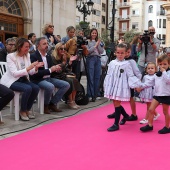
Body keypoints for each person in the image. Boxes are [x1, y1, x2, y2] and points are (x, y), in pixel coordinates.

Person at [0, 38, 43, 121]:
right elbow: (15, 73)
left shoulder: (27, 55)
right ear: (20, 47)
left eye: (28, 46)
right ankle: (22, 111)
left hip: (23, 79)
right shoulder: (10, 56)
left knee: (36, 88)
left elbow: (30, 72)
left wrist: (36, 68)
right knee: (28, 88)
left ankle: (27, 109)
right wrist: (29, 67)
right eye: (26, 47)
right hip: (12, 80)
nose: (28, 49)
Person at [104, 43, 142, 132]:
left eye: (122, 53)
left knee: (117, 103)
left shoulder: (127, 64)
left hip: (121, 86)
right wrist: (106, 84)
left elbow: (131, 76)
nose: (120, 55)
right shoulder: (112, 63)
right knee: (115, 102)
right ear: (115, 53)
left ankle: (116, 124)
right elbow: (109, 75)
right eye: (118, 52)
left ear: (125, 53)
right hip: (113, 85)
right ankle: (125, 116)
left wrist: (137, 85)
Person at [30, 37, 70, 114]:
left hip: (49, 78)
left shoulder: (48, 56)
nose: (47, 45)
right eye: (44, 44)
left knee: (66, 85)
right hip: (38, 80)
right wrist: (50, 70)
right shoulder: (34, 56)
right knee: (50, 86)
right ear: (38, 45)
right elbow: (36, 73)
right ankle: (45, 105)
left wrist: (56, 68)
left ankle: (52, 103)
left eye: (47, 43)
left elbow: (50, 69)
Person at [140, 54, 170, 134]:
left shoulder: (168, 73)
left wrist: (164, 72)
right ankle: (150, 125)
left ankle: (167, 127)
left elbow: (168, 81)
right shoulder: (157, 74)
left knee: (165, 112)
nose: (162, 66)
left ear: (169, 64)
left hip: (166, 95)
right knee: (150, 109)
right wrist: (140, 86)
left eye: (165, 64)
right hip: (157, 95)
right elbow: (150, 83)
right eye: (160, 64)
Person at [51, 42, 81, 109]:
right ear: (57, 49)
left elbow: (67, 69)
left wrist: (69, 63)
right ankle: (69, 101)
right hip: (56, 76)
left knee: (75, 80)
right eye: (61, 49)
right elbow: (58, 70)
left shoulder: (63, 56)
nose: (63, 50)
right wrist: (64, 63)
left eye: (64, 49)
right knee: (70, 81)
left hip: (63, 75)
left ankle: (73, 100)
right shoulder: (53, 58)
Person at [86, 28, 104, 101]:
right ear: (90, 33)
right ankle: (90, 94)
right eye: (93, 33)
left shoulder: (99, 41)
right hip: (90, 59)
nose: (94, 34)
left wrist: (99, 44)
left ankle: (96, 94)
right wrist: (95, 45)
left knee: (97, 77)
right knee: (90, 77)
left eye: (95, 33)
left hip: (98, 59)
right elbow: (88, 51)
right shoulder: (87, 41)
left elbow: (101, 51)